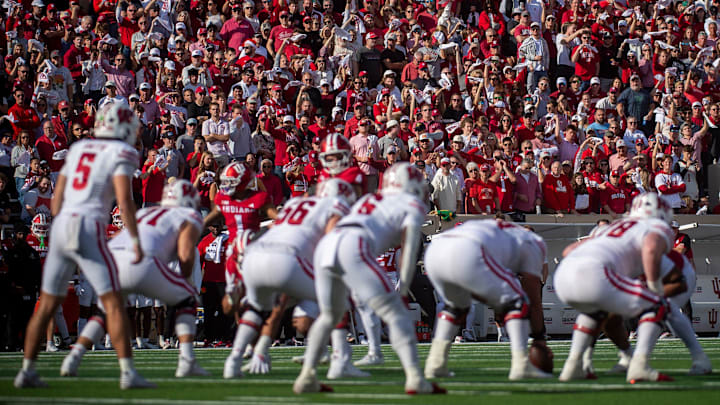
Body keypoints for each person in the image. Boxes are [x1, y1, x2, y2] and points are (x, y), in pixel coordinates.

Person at [14, 103, 151, 389]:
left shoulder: (78, 149)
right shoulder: (121, 152)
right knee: (112, 302)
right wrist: (136, 241)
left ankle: (26, 370)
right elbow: (125, 203)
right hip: (88, 226)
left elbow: (57, 197)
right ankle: (127, 372)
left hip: (63, 225)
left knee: (47, 304)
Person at [294, 163, 445, 395]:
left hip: (328, 245)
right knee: (398, 314)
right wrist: (402, 288)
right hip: (355, 245)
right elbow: (408, 248)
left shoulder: (369, 199)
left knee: (329, 315)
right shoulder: (411, 204)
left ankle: (306, 378)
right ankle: (415, 378)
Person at [60, 180, 209, 378]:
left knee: (106, 312)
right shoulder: (188, 216)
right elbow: (185, 253)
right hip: (142, 259)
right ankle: (187, 361)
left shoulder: (145, 212)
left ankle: (74, 357)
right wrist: (186, 280)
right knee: (187, 298)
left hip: (114, 260)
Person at [224, 179, 360, 379]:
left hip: (256, 256)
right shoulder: (333, 205)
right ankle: (341, 359)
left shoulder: (293, 204)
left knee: (256, 308)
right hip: (288, 258)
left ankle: (234, 361)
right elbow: (332, 241)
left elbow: (275, 228)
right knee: (335, 294)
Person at [554, 193, 676, 383]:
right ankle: (639, 366)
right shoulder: (656, 226)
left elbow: (568, 251)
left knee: (595, 312)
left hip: (563, 275)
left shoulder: (612, 227)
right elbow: (651, 248)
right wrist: (654, 286)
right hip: (596, 272)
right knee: (657, 303)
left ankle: (574, 366)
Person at [423, 219, 551, 380]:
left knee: (455, 307)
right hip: (469, 248)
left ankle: (435, 364)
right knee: (517, 302)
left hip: (436, 251)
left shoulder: (507, 236)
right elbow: (534, 299)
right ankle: (521, 364)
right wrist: (539, 340)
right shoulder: (534, 243)